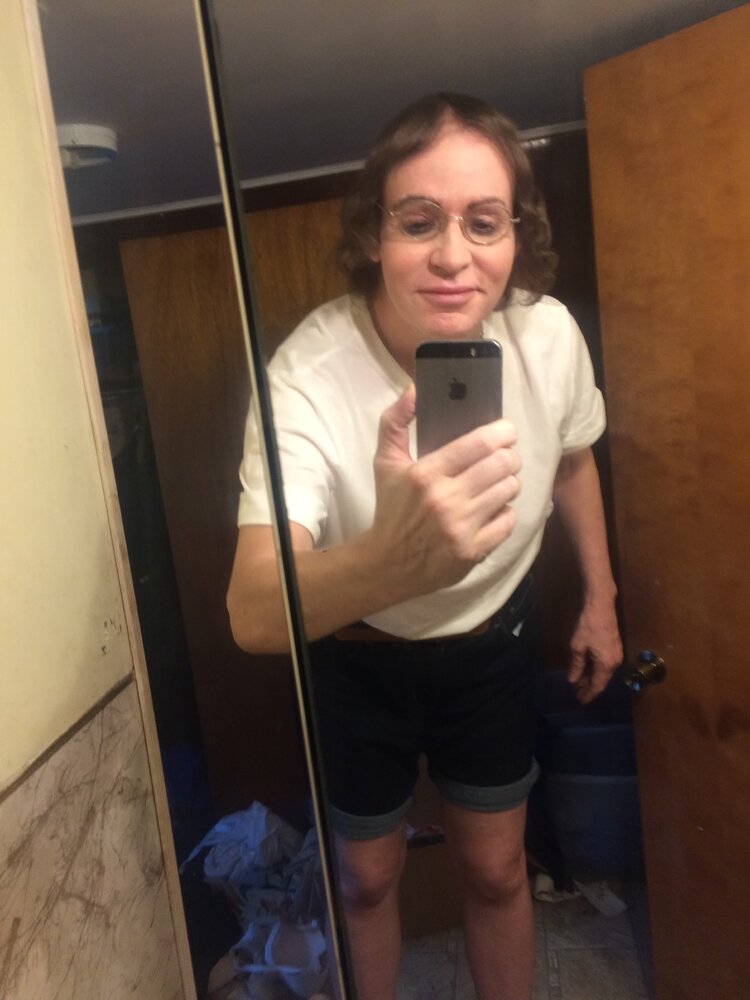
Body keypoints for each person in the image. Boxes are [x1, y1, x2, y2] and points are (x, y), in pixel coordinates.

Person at [227, 92, 623, 1000]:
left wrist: (600, 597)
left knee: (496, 868)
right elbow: (252, 611)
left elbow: (572, 456)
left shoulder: (547, 336)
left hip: (494, 643)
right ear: (374, 234)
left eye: (484, 222)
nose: (453, 256)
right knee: (366, 879)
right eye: (418, 221)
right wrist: (392, 558)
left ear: (516, 235)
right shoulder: (307, 376)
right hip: (357, 654)